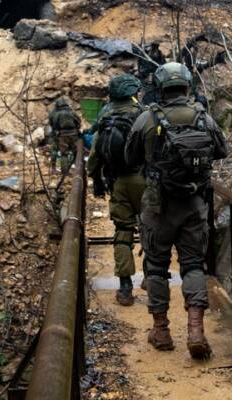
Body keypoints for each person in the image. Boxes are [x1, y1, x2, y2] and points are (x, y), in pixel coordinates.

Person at [125, 62, 227, 359]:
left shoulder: (147, 118)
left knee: (156, 267)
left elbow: (129, 158)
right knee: (194, 265)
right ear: (187, 86)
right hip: (194, 204)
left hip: (158, 206)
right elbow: (222, 151)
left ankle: (161, 331)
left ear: (160, 87)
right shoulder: (203, 117)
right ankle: (196, 331)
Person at [88, 74, 145, 306]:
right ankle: (153, 277)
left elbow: (94, 157)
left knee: (123, 231)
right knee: (151, 228)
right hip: (144, 180)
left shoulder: (105, 116)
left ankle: (125, 287)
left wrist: (96, 179)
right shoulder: (144, 114)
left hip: (118, 182)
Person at [47, 98, 82, 174]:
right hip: (74, 135)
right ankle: (77, 171)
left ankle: (64, 171)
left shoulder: (55, 113)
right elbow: (78, 122)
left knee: (63, 154)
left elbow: (52, 124)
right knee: (76, 152)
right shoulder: (71, 112)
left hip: (61, 135)